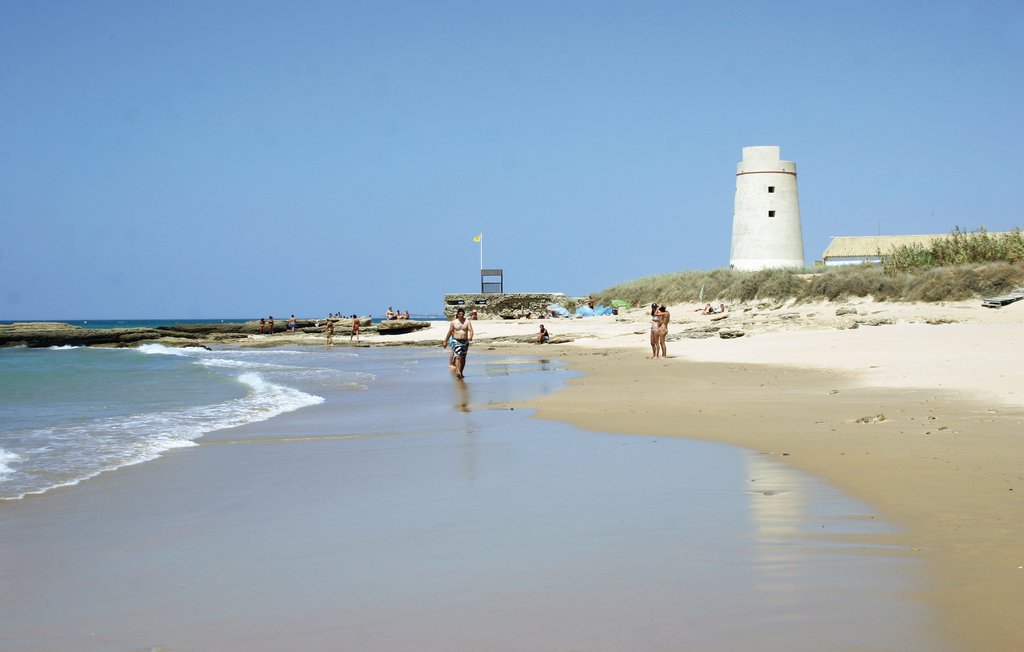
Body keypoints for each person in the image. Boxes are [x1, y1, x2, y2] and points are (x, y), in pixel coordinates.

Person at [442, 308, 474, 379]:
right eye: (460, 314)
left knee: (463, 357)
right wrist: (445, 341)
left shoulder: (467, 321)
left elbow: (471, 330)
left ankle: (461, 372)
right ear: (457, 314)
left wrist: (470, 336)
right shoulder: (454, 322)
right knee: (458, 356)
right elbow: (450, 332)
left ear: (464, 314)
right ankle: (458, 371)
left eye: (462, 314)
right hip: (456, 341)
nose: (461, 316)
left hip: (465, 341)